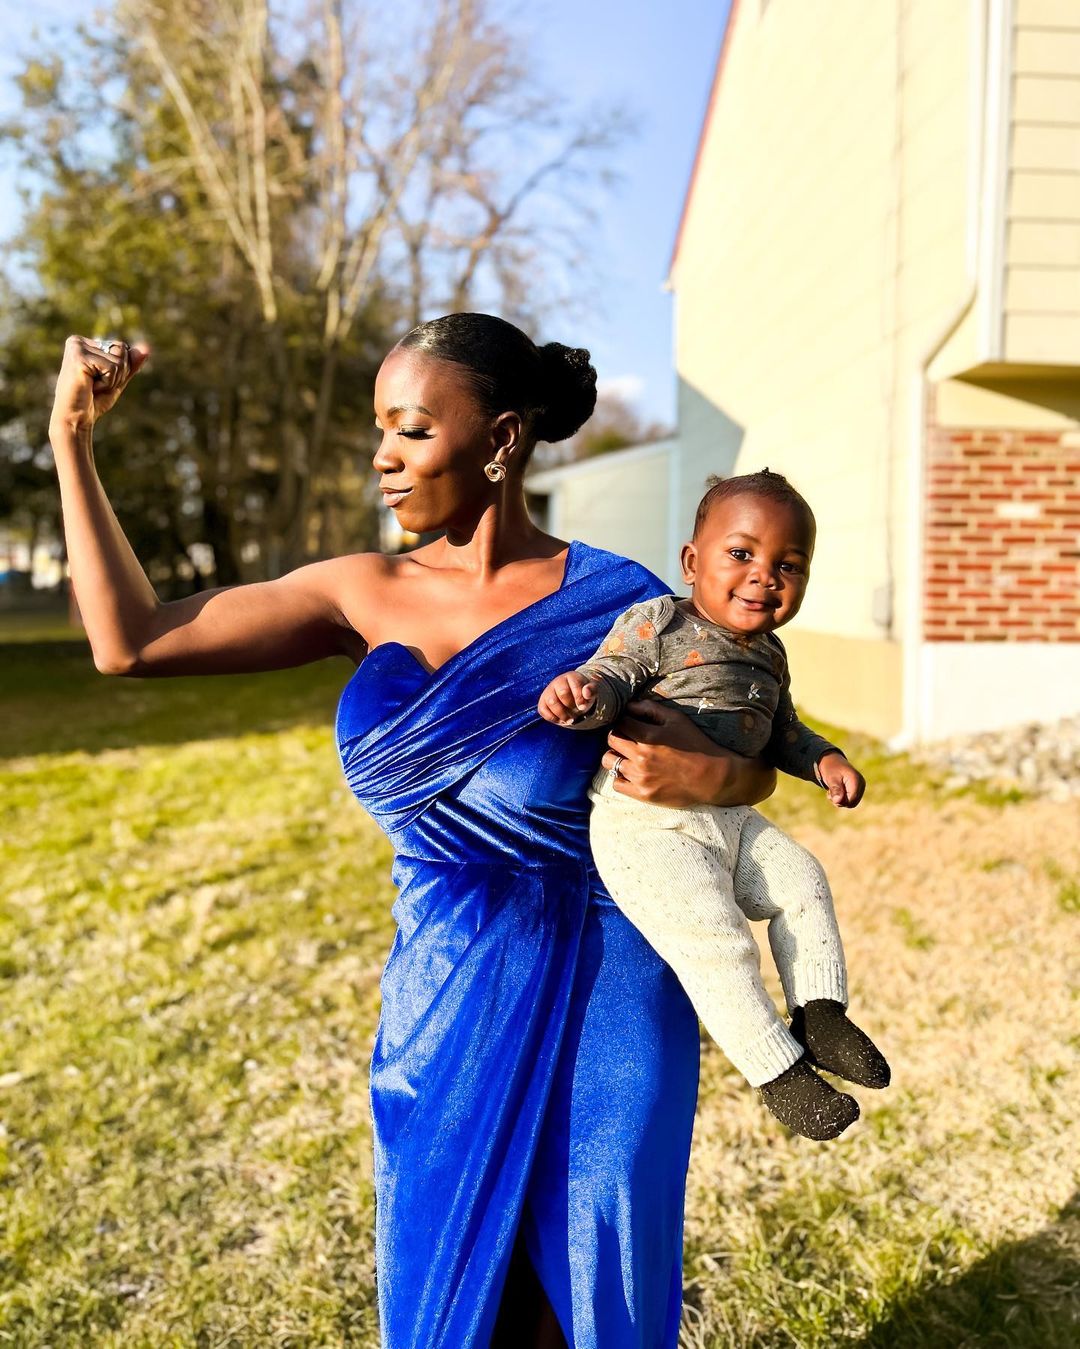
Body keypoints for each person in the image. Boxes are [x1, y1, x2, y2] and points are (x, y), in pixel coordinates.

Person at [48, 314, 777, 1348]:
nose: (383, 457)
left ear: (502, 438)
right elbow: (128, 641)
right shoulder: (361, 592)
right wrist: (72, 439)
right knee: (448, 1291)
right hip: (444, 989)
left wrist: (713, 767)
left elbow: (745, 764)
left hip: (608, 987)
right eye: (379, 431)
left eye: (411, 430)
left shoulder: (628, 604)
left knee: (589, 1280)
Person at [537, 471, 890, 1142]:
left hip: (730, 815)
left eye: (788, 564)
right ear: (693, 561)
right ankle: (780, 1073)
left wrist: (825, 760)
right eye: (741, 554)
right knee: (715, 937)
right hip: (646, 821)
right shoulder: (660, 620)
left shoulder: (771, 653)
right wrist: (581, 692)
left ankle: (820, 1011)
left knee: (802, 879)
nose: (765, 576)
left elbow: (784, 730)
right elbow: (614, 675)